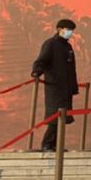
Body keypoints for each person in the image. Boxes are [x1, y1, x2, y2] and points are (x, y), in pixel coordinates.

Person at [31, 17, 78, 151]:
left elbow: (71, 69)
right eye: (68, 29)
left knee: (62, 119)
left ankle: (56, 145)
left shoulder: (68, 46)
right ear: (59, 29)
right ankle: (47, 144)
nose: (70, 32)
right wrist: (36, 71)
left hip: (66, 88)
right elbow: (42, 60)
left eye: (71, 30)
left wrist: (73, 87)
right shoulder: (51, 44)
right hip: (55, 86)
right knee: (55, 117)